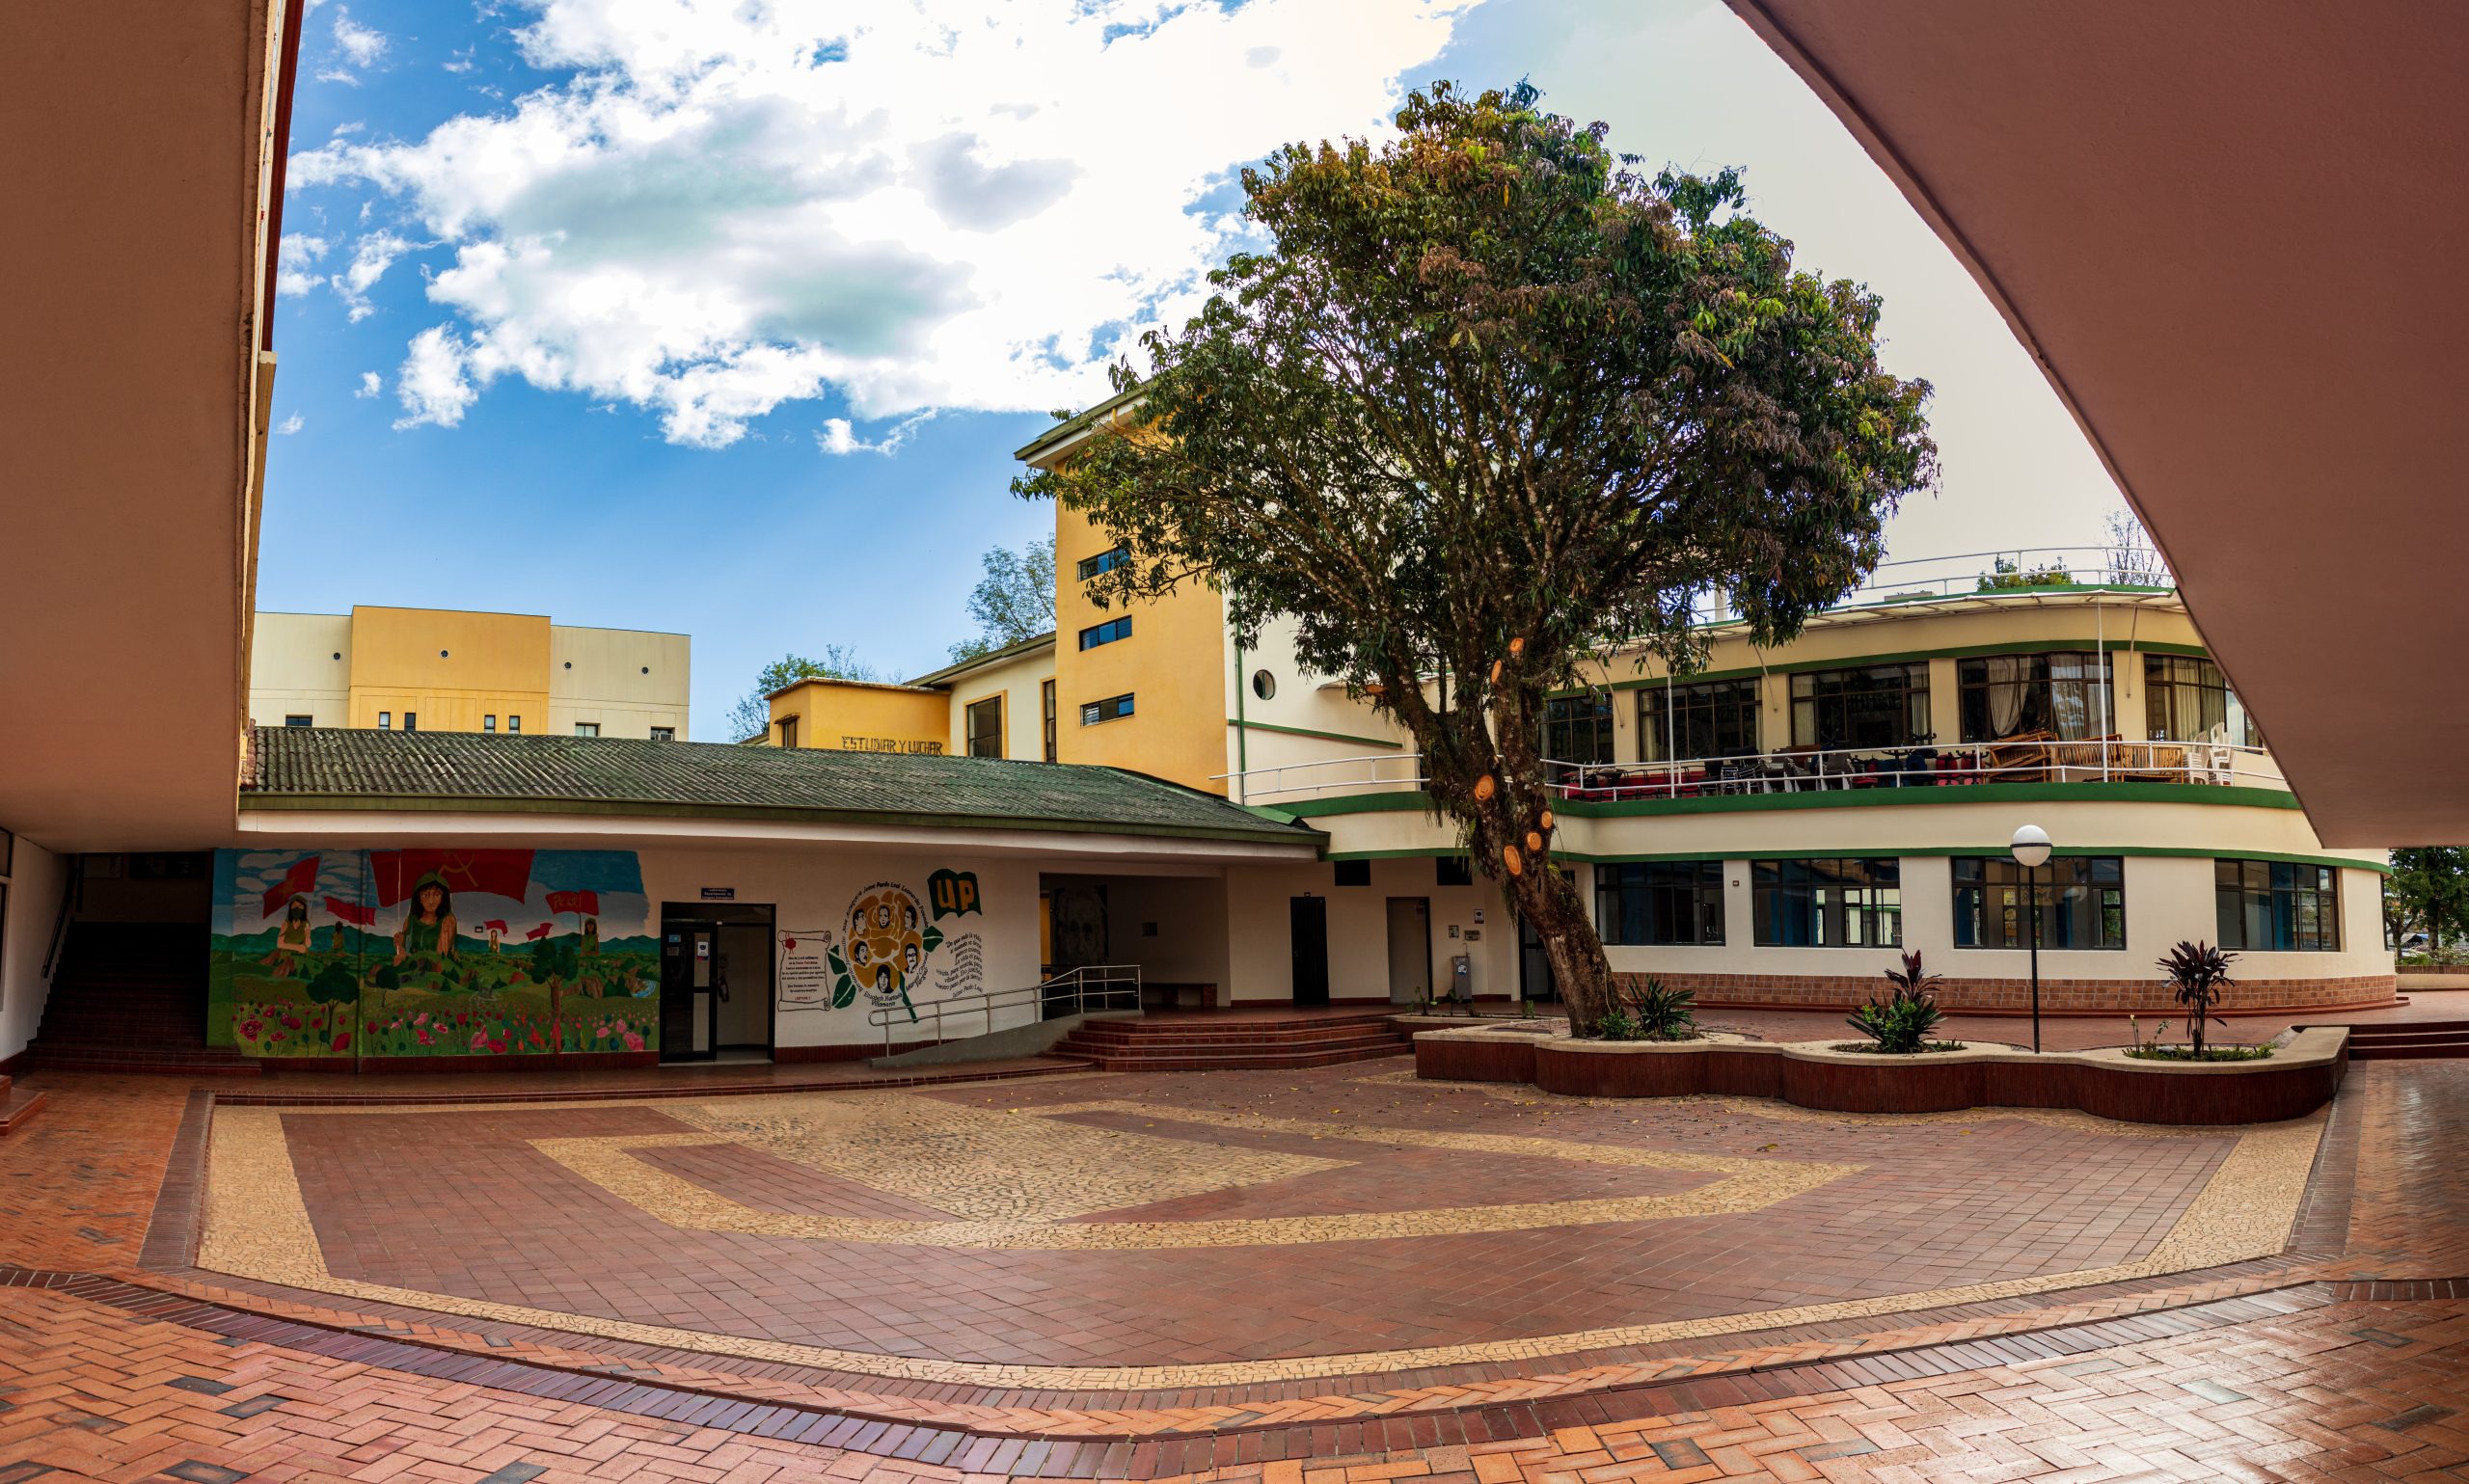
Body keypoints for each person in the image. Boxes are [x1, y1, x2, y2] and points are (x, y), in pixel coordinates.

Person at [393, 874, 458, 969]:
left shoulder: (448, 921)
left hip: (435, 969)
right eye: (426, 895)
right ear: (419, 897)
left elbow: (441, 958)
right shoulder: (409, 921)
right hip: (412, 967)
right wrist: (399, 946)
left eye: (437, 895)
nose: (431, 901)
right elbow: (404, 954)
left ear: (442, 898)